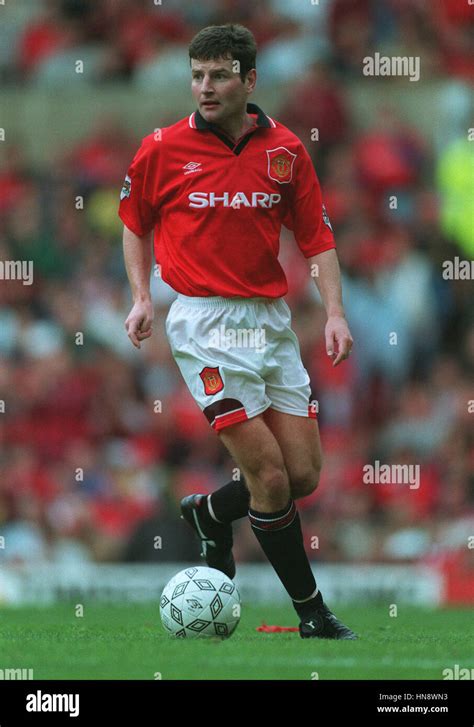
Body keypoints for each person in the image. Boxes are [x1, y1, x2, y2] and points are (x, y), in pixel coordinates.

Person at [119, 23, 356, 639]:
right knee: (270, 475)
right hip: (203, 323)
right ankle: (313, 614)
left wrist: (333, 311)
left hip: (270, 324)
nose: (205, 87)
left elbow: (317, 239)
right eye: (197, 76)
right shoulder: (162, 148)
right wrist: (143, 296)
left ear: (249, 80)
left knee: (303, 475)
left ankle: (208, 513)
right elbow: (133, 221)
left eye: (219, 75)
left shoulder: (286, 151)